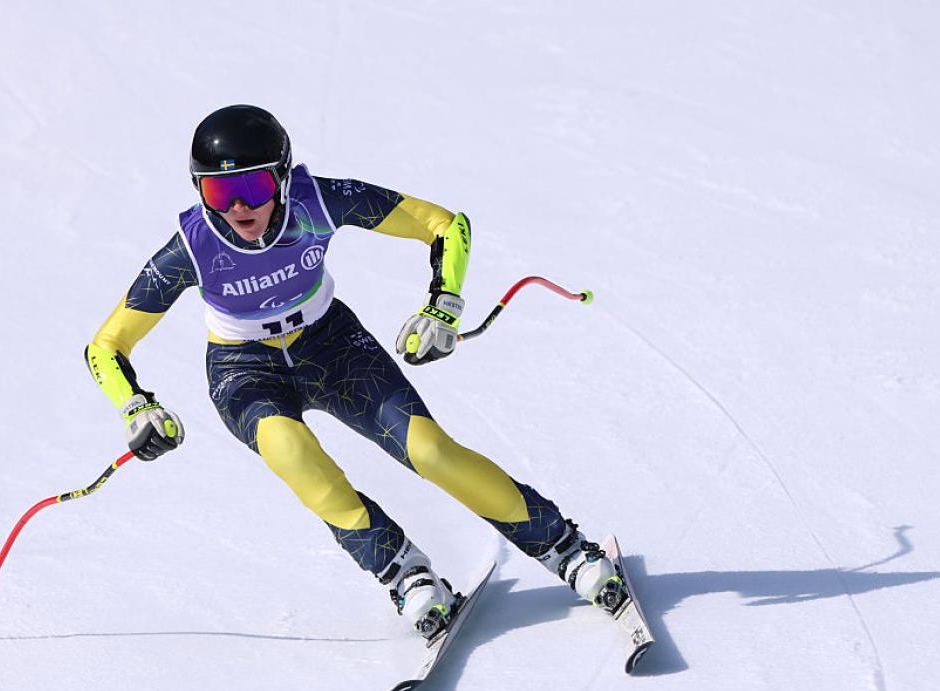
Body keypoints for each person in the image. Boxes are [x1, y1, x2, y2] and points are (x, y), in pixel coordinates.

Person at [85, 105, 626, 638]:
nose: (237, 207)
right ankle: (404, 573)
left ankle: (564, 547)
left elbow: (444, 224)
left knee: (431, 452)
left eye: (252, 186)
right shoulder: (192, 248)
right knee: (293, 455)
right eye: (217, 192)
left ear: (282, 177)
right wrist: (136, 406)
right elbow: (106, 346)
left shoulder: (317, 201)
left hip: (332, 344)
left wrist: (443, 305)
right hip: (244, 370)